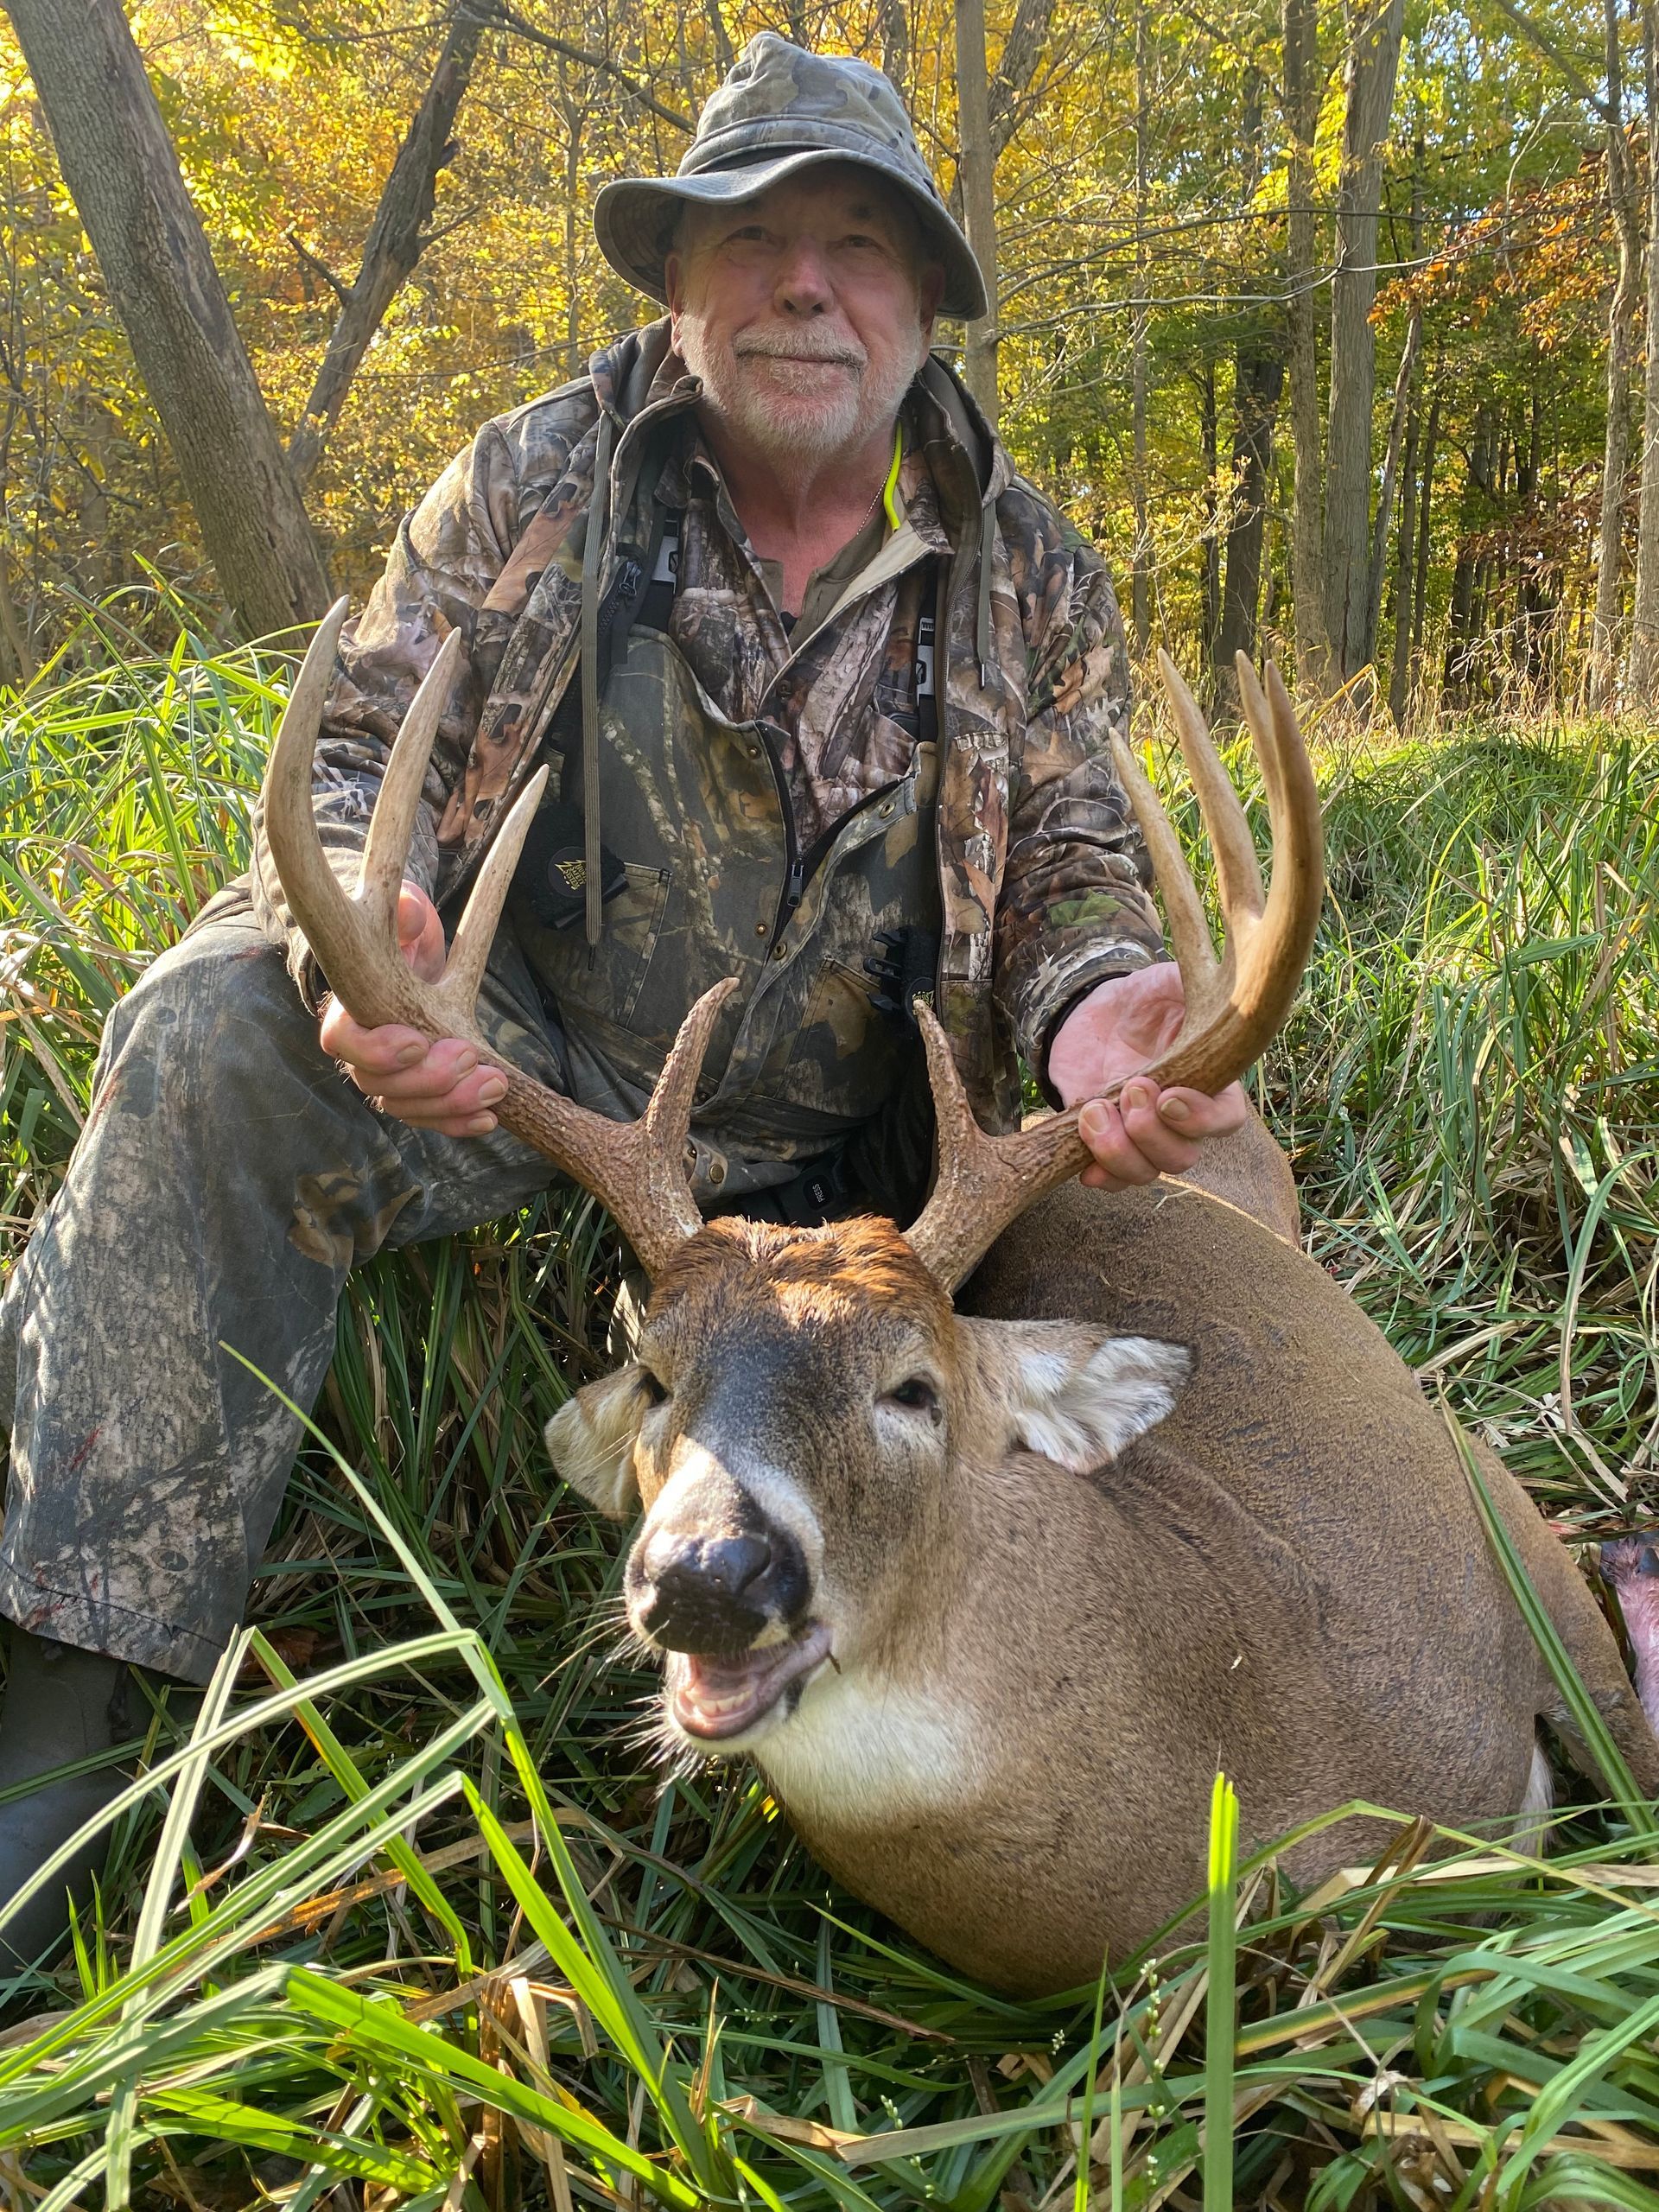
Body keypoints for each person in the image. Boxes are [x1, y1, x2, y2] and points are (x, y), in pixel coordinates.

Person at [0, 33, 1246, 1966]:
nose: (805, 283)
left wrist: (1102, 1011)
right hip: (547, 1068)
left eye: (857, 243)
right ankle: (58, 1710)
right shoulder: (539, 477)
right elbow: (351, 758)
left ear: (923, 304)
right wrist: (375, 938)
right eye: (751, 239)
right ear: (679, 282)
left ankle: (1268, 1616)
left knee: (1213, 1154)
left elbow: (1084, 854)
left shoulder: (1023, 571)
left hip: (892, 1143)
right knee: (215, 1031)